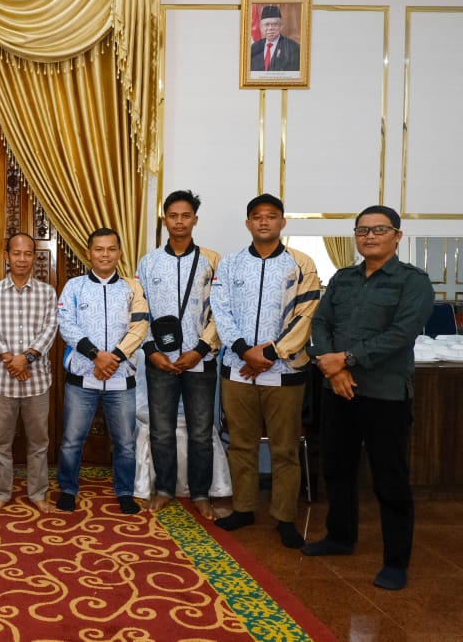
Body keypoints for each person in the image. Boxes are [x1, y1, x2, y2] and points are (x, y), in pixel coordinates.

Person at [303, 206, 434, 591]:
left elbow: (401, 334)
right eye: (362, 230)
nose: (369, 236)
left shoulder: (413, 281)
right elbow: (321, 323)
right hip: (338, 390)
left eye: (379, 229)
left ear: (398, 236)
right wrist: (334, 370)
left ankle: (396, 561)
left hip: (384, 394)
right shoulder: (343, 278)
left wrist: (346, 359)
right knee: (337, 468)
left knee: (389, 478)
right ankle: (340, 537)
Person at [211, 193, 319, 548]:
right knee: (240, 444)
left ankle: (284, 517)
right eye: (257, 216)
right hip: (237, 368)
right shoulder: (230, 264)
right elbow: (220, 310)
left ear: (282, 222)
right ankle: (243, 508)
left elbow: (307, 314)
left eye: (271, 216)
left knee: (284, 448)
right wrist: (244, 350)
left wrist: (270, 353)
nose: (263, 221)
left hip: (285, 370)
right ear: (248, 223)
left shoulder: (300, 263)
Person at [136, 190, 222, 519]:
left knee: (201, 431)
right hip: (160, 361)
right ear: (165, 220)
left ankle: (200, 494)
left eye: (186, 216)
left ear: (195, 220)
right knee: (161, 430)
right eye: (173, 216)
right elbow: (140, 312)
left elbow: (222, 312)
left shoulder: (212, 261)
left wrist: (199, 350)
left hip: (201, 361)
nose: (179, 221)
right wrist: (150, 351)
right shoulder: (149, 263)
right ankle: (164, 489)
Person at [55, 228, 148, 514]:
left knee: (125, 442)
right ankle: (68, 489)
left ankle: (125, 491)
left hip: (121, 378)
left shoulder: (132, 288)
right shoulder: (74, 286)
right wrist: (96, 356)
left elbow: (140, 325)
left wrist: (114, 359)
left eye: (111, 249)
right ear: (89, 253)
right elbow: (66, 324)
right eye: (99, 249)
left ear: (119, 252)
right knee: (72, 440)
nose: (105, 254)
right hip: (82, 377)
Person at [0, 232, 58, 513]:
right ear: (7, 256)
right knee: (0, 441)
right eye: (16, 253)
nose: (22, 259)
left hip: (37, 380)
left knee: (39, 442)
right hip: (2, 380)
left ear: (35, 257)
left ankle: (38, 493)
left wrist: (26, 359)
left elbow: (50, 328)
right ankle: (2, 492)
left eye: (28, 254)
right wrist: (11, 361)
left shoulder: (47, 292)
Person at [250, 5, 301, 72]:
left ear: (281, 26)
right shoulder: (254, 47)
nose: (270, 28)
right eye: (267, 24)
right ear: (261, 27)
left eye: (274, 24)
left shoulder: (293, 48)